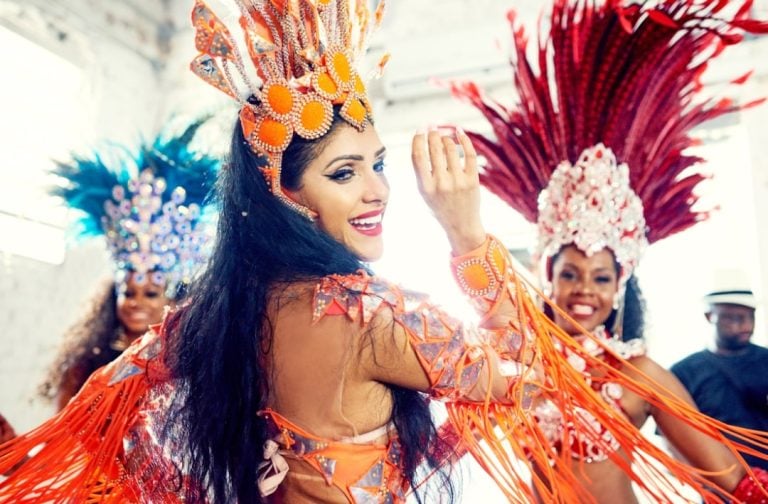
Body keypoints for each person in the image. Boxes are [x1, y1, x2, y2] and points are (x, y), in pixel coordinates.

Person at [1, 1, 767, 503]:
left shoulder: (200, 321)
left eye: (377, 164)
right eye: (344, 172)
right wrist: (466, 233)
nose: (376, 192)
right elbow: (537, 378)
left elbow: (104, 426)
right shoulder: (377, 317)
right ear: (287, 196)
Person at [451, 0, 768, 502]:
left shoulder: (639, 376)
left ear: (620, 288)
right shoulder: (519, 364)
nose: (584, 291)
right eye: (571, 273)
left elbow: (735, 482)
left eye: (601, 277)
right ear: (546, 275)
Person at [39, 121, 218, 410]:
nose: (136, 302)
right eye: (129, 292)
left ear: (173, 299)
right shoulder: (88, 362)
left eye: (150, 293)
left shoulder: (190, 362)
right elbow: (66, 427)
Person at [672, 271, 768, 471]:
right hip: (722, 486)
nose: (745, 325)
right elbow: (672, 437)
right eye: (733, 318)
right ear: (709, 316)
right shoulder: (684, 373)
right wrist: (702, 480)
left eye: (750, 317)